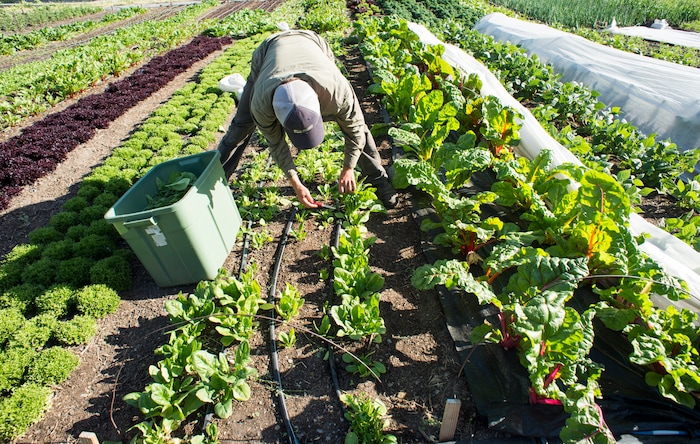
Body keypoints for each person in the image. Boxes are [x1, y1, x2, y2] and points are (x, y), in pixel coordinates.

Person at [217, 29, 398, 209]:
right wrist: (295, 183)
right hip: (269, 51)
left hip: (312, 43)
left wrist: (349, 167)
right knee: (241, 125)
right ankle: (214, 176)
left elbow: (355, 128)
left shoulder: (336, 91)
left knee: (357, 128)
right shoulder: (261, 106)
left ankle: (379, 181)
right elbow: (276, 145)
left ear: (320, 106)